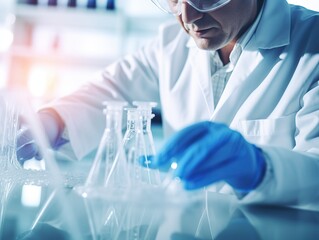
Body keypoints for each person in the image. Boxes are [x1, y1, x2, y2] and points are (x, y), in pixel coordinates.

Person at [16, 0, 319, 207]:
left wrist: (259, 167)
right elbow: (114, 87)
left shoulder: (312, 42)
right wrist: (54, 120)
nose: (187, 18)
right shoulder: (170, 43)